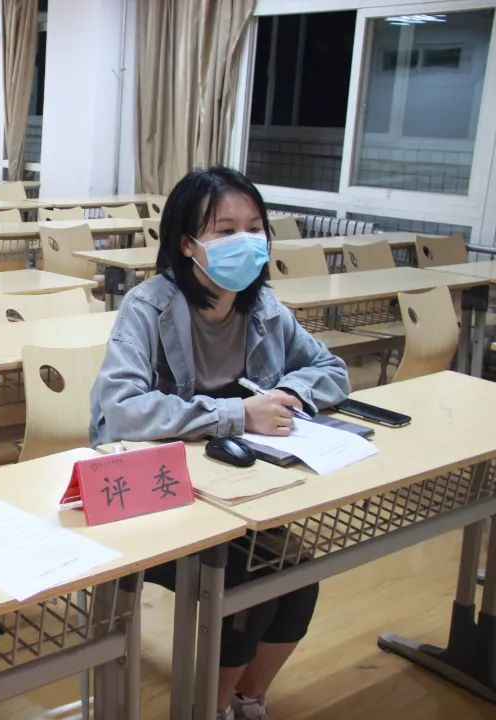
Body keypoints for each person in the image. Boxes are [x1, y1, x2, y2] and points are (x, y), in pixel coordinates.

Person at [90, 166, 349, 720]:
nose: (246, 241)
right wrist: (239, 413)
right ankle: (208, 708)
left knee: (299, 577)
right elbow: (123, 409)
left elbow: (332, 369)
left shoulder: (264, 307)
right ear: (188, 244)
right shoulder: (148, 306)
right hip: (157, 494)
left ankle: (247, 701)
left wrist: (289, 394)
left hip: (236, 487)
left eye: (254, 228)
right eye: (226, 230)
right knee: (247, 579)